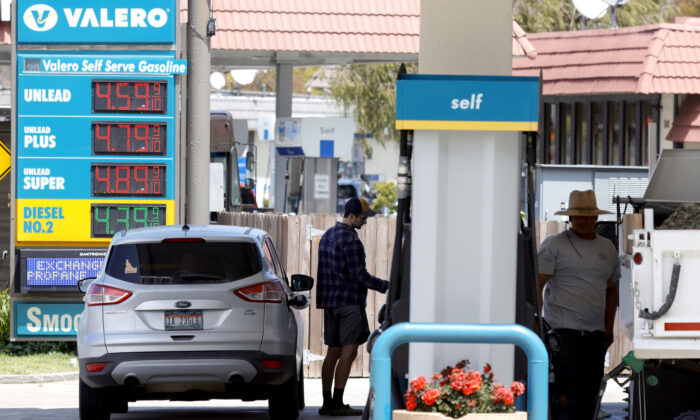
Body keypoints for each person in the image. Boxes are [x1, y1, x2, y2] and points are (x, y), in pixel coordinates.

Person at [538, 190, 620, 420]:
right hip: (562, 333)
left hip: (595, 334)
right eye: (578, 215)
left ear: (596, 218)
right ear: (570, 218)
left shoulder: (607, 248)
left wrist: (609, 327)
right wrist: (536, 326)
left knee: (590, 396)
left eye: (589, 215)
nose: (584, 220)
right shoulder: (553, 245)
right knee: (564, 399)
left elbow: (612, 289)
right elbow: (537, 286)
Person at [316, 197, 390, 416]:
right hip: (348, 303)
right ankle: (338, 404)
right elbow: (360, 276)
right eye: (363, 217)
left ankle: (327, 402)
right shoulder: (351, 240)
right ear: (351, 215)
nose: (365, 221)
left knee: (332, 352)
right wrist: (387, 286)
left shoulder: (328, 235)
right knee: (348, 352)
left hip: (330, 304)